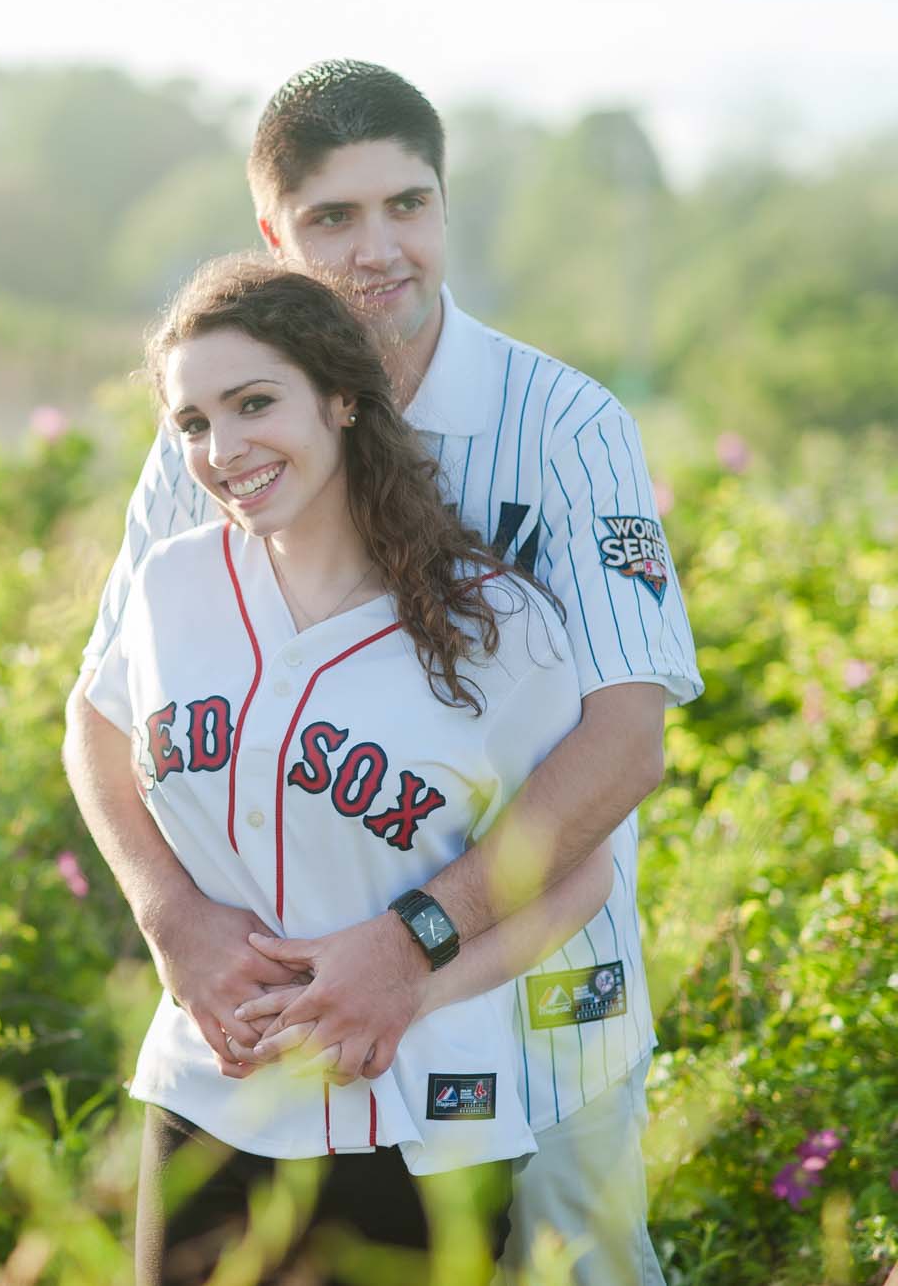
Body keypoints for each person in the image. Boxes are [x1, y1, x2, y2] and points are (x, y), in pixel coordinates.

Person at [63, 62, 702, 1284]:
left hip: (539, 997)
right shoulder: (213, 435)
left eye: (407, 204)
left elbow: (624, 737)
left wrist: (414, 941)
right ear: (272, 235)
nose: (379, 250)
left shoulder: (563, 428)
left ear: (445, 205)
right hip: (284, 1053)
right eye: (332, 218)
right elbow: (99, 713)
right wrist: (172, 916)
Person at [88, 257, 614, 1280]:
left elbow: (577, 870)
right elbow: (98, 732)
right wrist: (167, 918)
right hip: (207, 1097)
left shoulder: (493, 627)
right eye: (192, 422)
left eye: (252, 403)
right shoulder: (168, 587)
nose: (222, 448)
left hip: (419, 1117)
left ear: (338, 399)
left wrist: (415, 982)